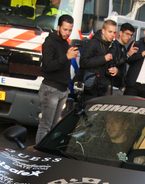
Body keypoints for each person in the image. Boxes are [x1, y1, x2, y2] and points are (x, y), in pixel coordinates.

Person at [36, 14, 78, 144]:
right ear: (58, 27)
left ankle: (46, 151)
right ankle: (38, 153)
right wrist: (66, 57)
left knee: (54, 127)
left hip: (61, 89)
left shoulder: (65, 43)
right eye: (65, 29)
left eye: (70, 30)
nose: (67, 33)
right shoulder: (50, 42)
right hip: (51, 88)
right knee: (45, 126)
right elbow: (48, 66)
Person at [79, 19, 118, 101]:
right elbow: (83, 62)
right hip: (90, 86)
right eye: (110, 32)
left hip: (103, 86)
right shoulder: (93, 43)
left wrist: (115, 69)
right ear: (103, 31)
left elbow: (113, 63)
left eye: (114, 32)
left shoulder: (113, 45)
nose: (112, 35)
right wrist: (103, 58)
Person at [109, 22, 138, 94]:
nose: (129, 37)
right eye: (127, 34)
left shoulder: (123, 48)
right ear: (120, 33)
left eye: (131, 35)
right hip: (112, 85)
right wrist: (128, 55)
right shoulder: (114, 45)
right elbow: (114, 63)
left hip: (119, 86)